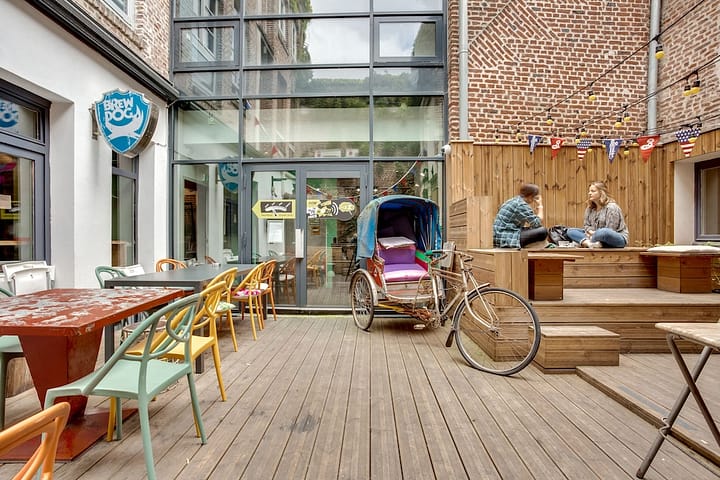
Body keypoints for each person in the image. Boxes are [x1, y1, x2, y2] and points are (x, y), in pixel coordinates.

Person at [566, 181, 629, 248]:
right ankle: (589, 243)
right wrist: (590, 231)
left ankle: (585, 242)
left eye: (593, 191)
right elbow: (586, 225)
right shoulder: (589, 208)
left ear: (601, 193)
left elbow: (610, 229)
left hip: (614, 238)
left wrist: (594, 233)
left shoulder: (612, 207)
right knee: (570, 231)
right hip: (593, 236)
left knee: (603, 232)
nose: (589, 193)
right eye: (589, 191)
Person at [493, 183, 548, 248]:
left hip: (500, 235)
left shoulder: (514, 200)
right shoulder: (521, 205)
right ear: (531, 196)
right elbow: (537, 223)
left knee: (531, 230)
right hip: (506, 237)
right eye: (535, 197)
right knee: (543, 231)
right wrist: (540, 206)